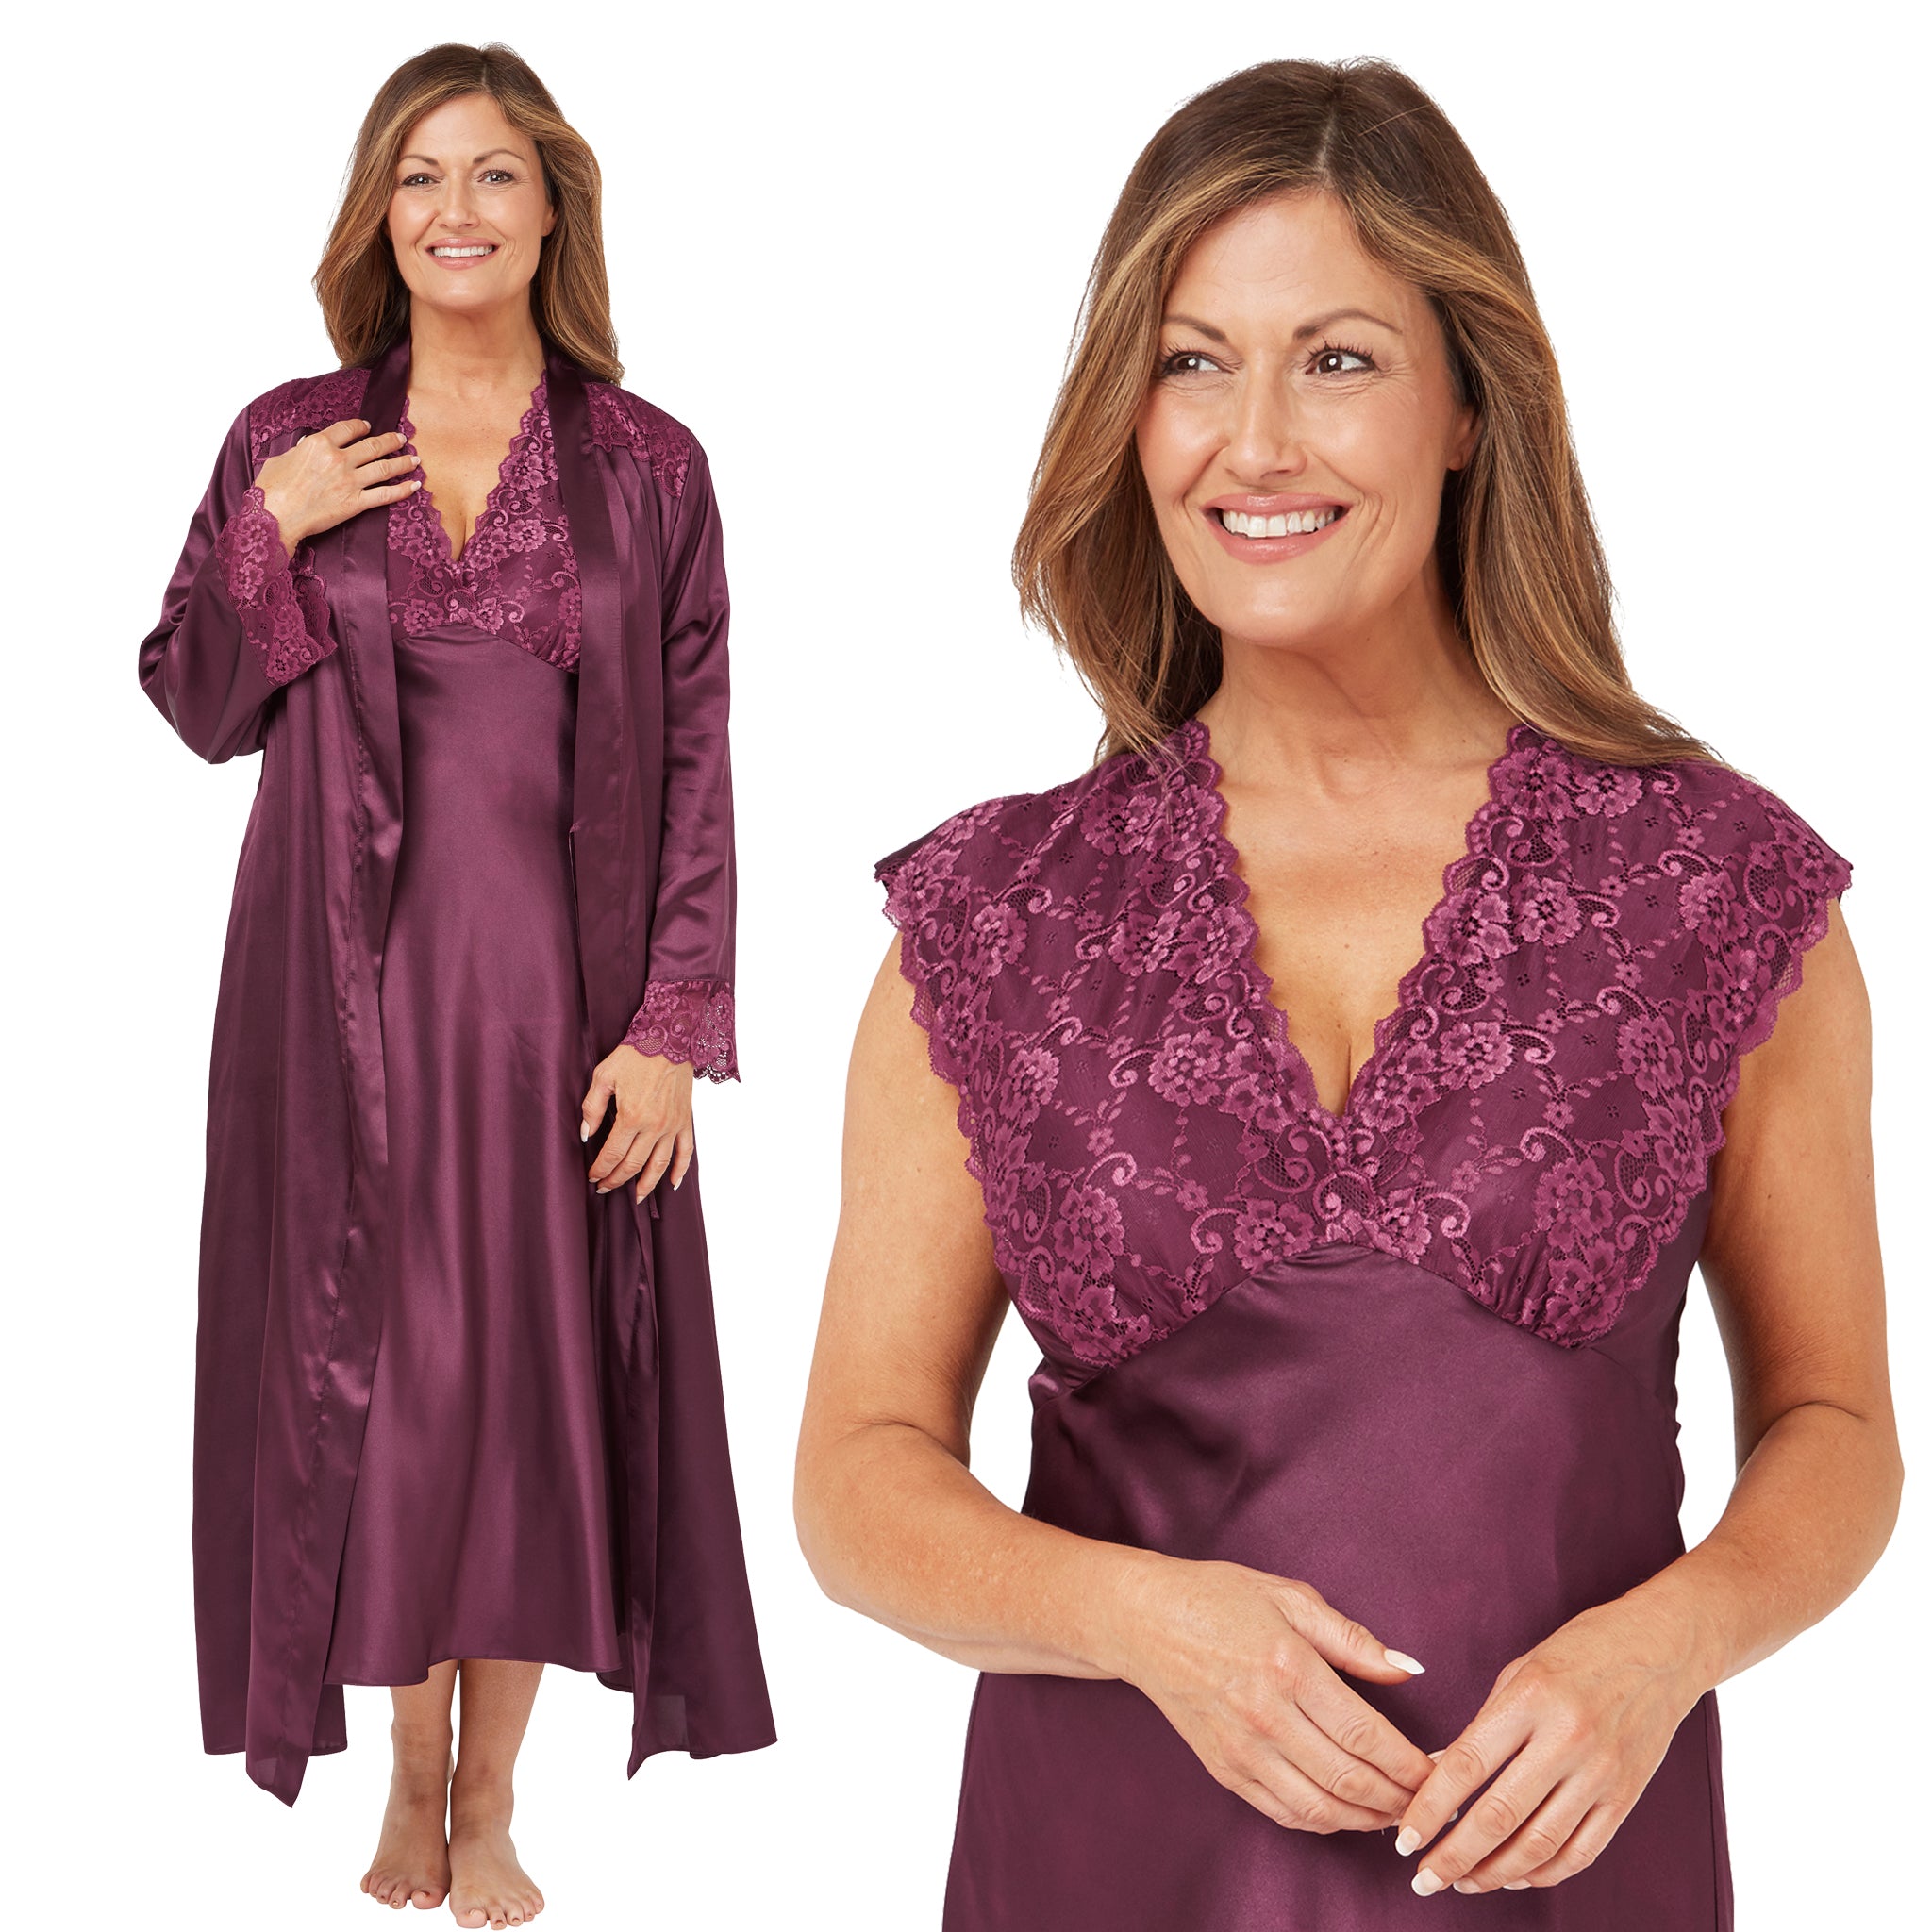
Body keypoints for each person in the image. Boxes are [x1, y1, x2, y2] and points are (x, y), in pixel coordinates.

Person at [794, 56, 1899, 1929]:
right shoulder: (991, 919)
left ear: (1469, 404)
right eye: (1192, 361)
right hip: (1107, 1874)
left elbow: (1838, 1432)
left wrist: (1657, 1653)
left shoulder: (1713, 886)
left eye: (1336, 360)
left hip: (1561, 1884)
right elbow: (858, 1475)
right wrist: (1142, 1621)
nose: (1255, 444)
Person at [139, 41, 774, 1929]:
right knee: (392, 1386)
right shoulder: (290, 438)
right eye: (419, 176)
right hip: (338, 1000)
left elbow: (697, 758)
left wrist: (672, 1027)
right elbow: (196, 703)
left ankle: (491, 1795)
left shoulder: (648, 466)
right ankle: (411, 1769)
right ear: (377, 214)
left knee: (528, 1387)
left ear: (552, 206)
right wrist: (269, 531)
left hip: (558, 1012)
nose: (455, 210)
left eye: (493, 173)